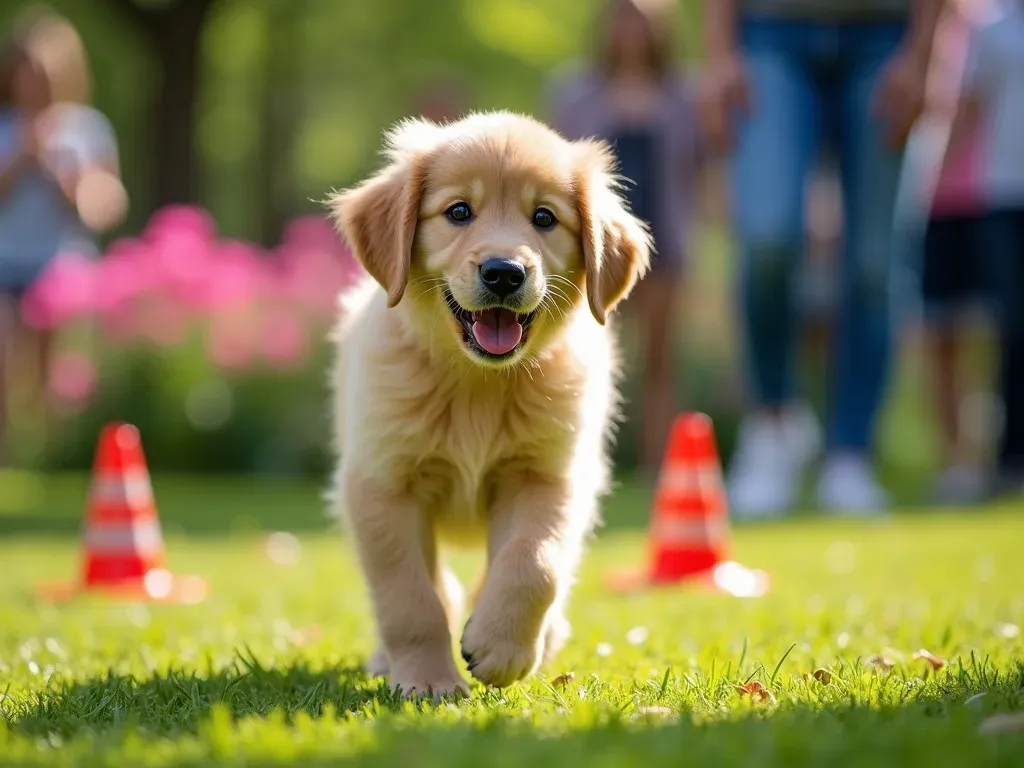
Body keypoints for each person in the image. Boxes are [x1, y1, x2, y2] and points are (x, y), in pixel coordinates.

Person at [699, 0, 942, 517]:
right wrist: (719, 52)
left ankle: (850, 454)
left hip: (886, 37)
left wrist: (922, 54)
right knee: (766, 240)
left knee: (875, 263)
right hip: (768, 34)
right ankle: (773, 424)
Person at [547, 0, 706, 477]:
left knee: (660, 360)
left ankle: (658, 466)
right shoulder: (575, 95)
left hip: (666, 245)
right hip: (594, 250)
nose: (631, 28)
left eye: (641, 16)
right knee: (582, 355)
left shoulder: (684, 97)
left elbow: (702, 171)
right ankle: (582, 464)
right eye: (622, 16)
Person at [0, 10, 127, 461]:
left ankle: (54, 453)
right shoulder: (5, 128)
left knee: (55, 370)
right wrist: (21, 157)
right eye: (28, 71)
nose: (36, 83)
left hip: (60, 263)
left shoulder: (86, 129)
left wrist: (68, 182)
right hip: (6, 261)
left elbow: (106, 202)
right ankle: (9, 454)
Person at [909, 0, 994, 505]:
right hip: (927, 207)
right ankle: (952, 457)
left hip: (982, 198)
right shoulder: (919, 37)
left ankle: (979, 451)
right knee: (937, 332)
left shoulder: (989, 27)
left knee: (982, 332)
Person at [954, 0, 1024, 495]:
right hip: (1001, 195)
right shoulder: (992, 29)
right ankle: (1011, 457)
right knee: (1011, 326)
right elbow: (968, 109)